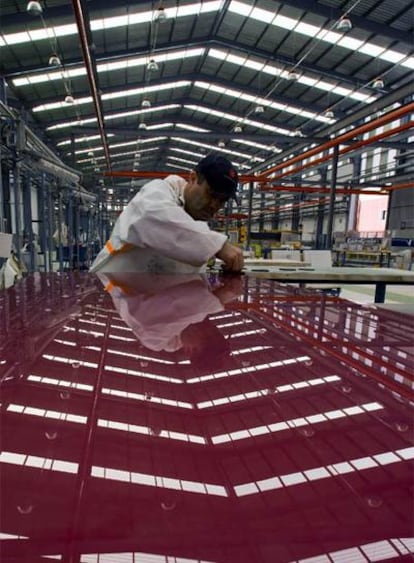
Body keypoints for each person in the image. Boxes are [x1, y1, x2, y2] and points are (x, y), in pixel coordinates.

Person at [90, 153, 244, 274]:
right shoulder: (158, 192)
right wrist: (218, 246)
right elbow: (152, 219)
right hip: (109, 291)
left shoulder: (196, 225)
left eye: (222, 200)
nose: (214, 205)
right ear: (193, 178)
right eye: (211, 194)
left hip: (145, 300)